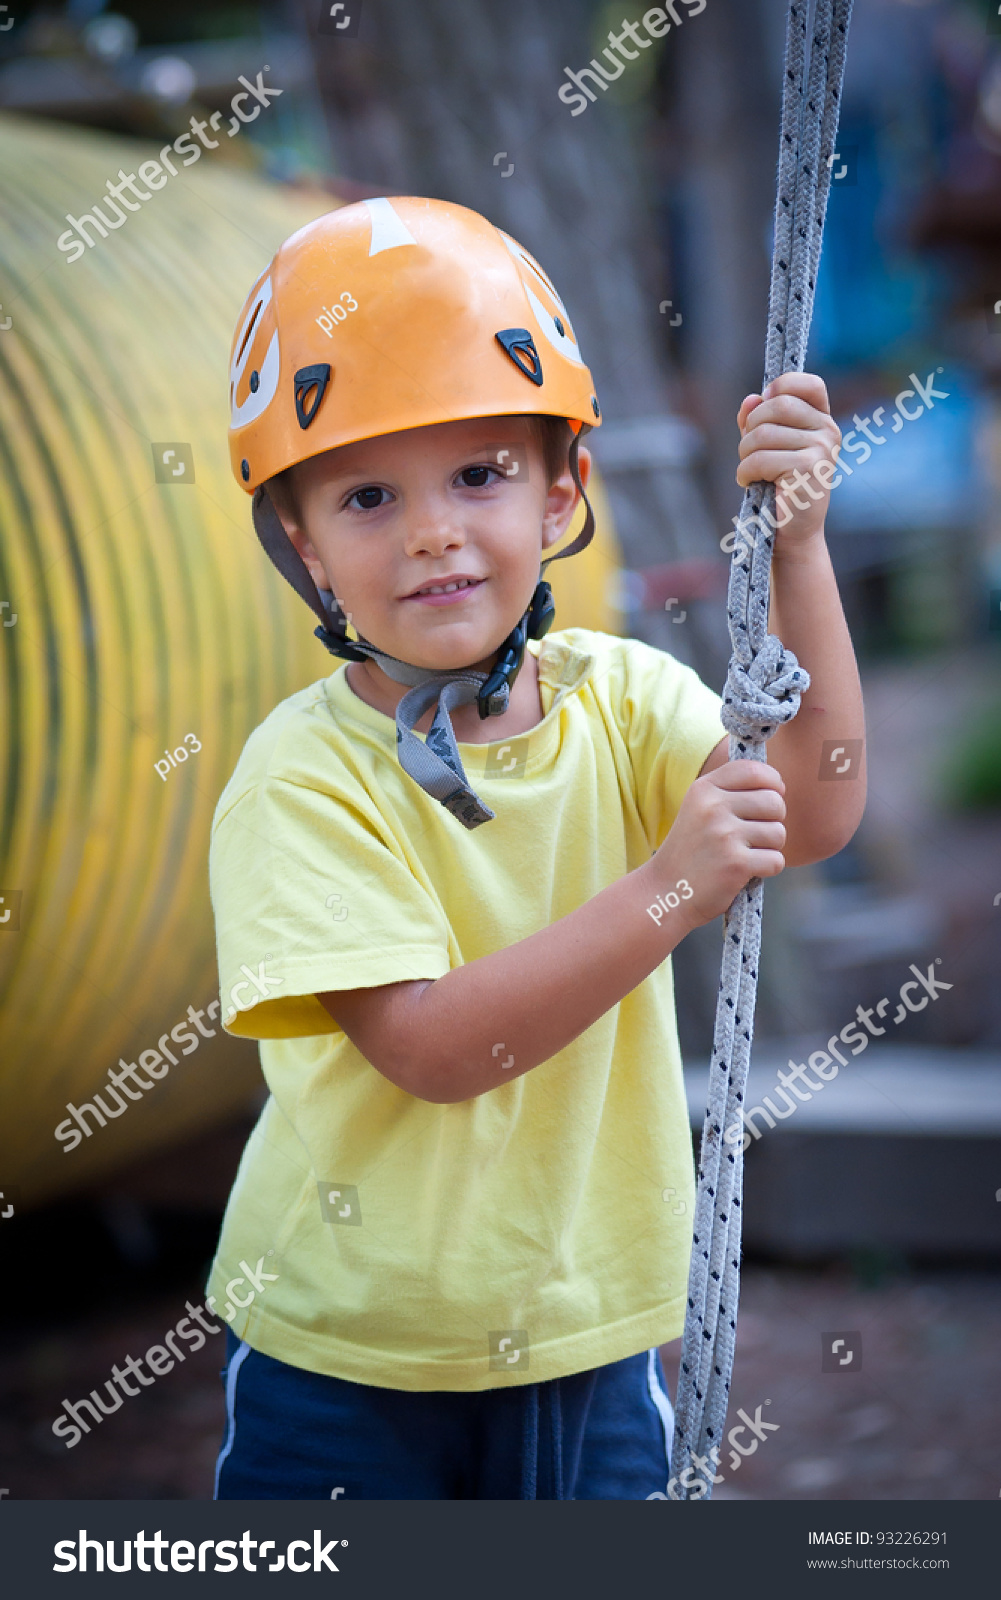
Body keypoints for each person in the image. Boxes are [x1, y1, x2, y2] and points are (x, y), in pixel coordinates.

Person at [207, 198, 864, 1500]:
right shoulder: (303, 777)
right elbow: (437, 1049)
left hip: (588, 1345)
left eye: (479, 474)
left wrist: (796, 550)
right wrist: (670, 886)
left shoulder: (619, 703)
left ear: (563, 489)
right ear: (305, 545)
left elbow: (816, 803)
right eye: (367, 494)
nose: (432, 530)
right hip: (350, 1369)